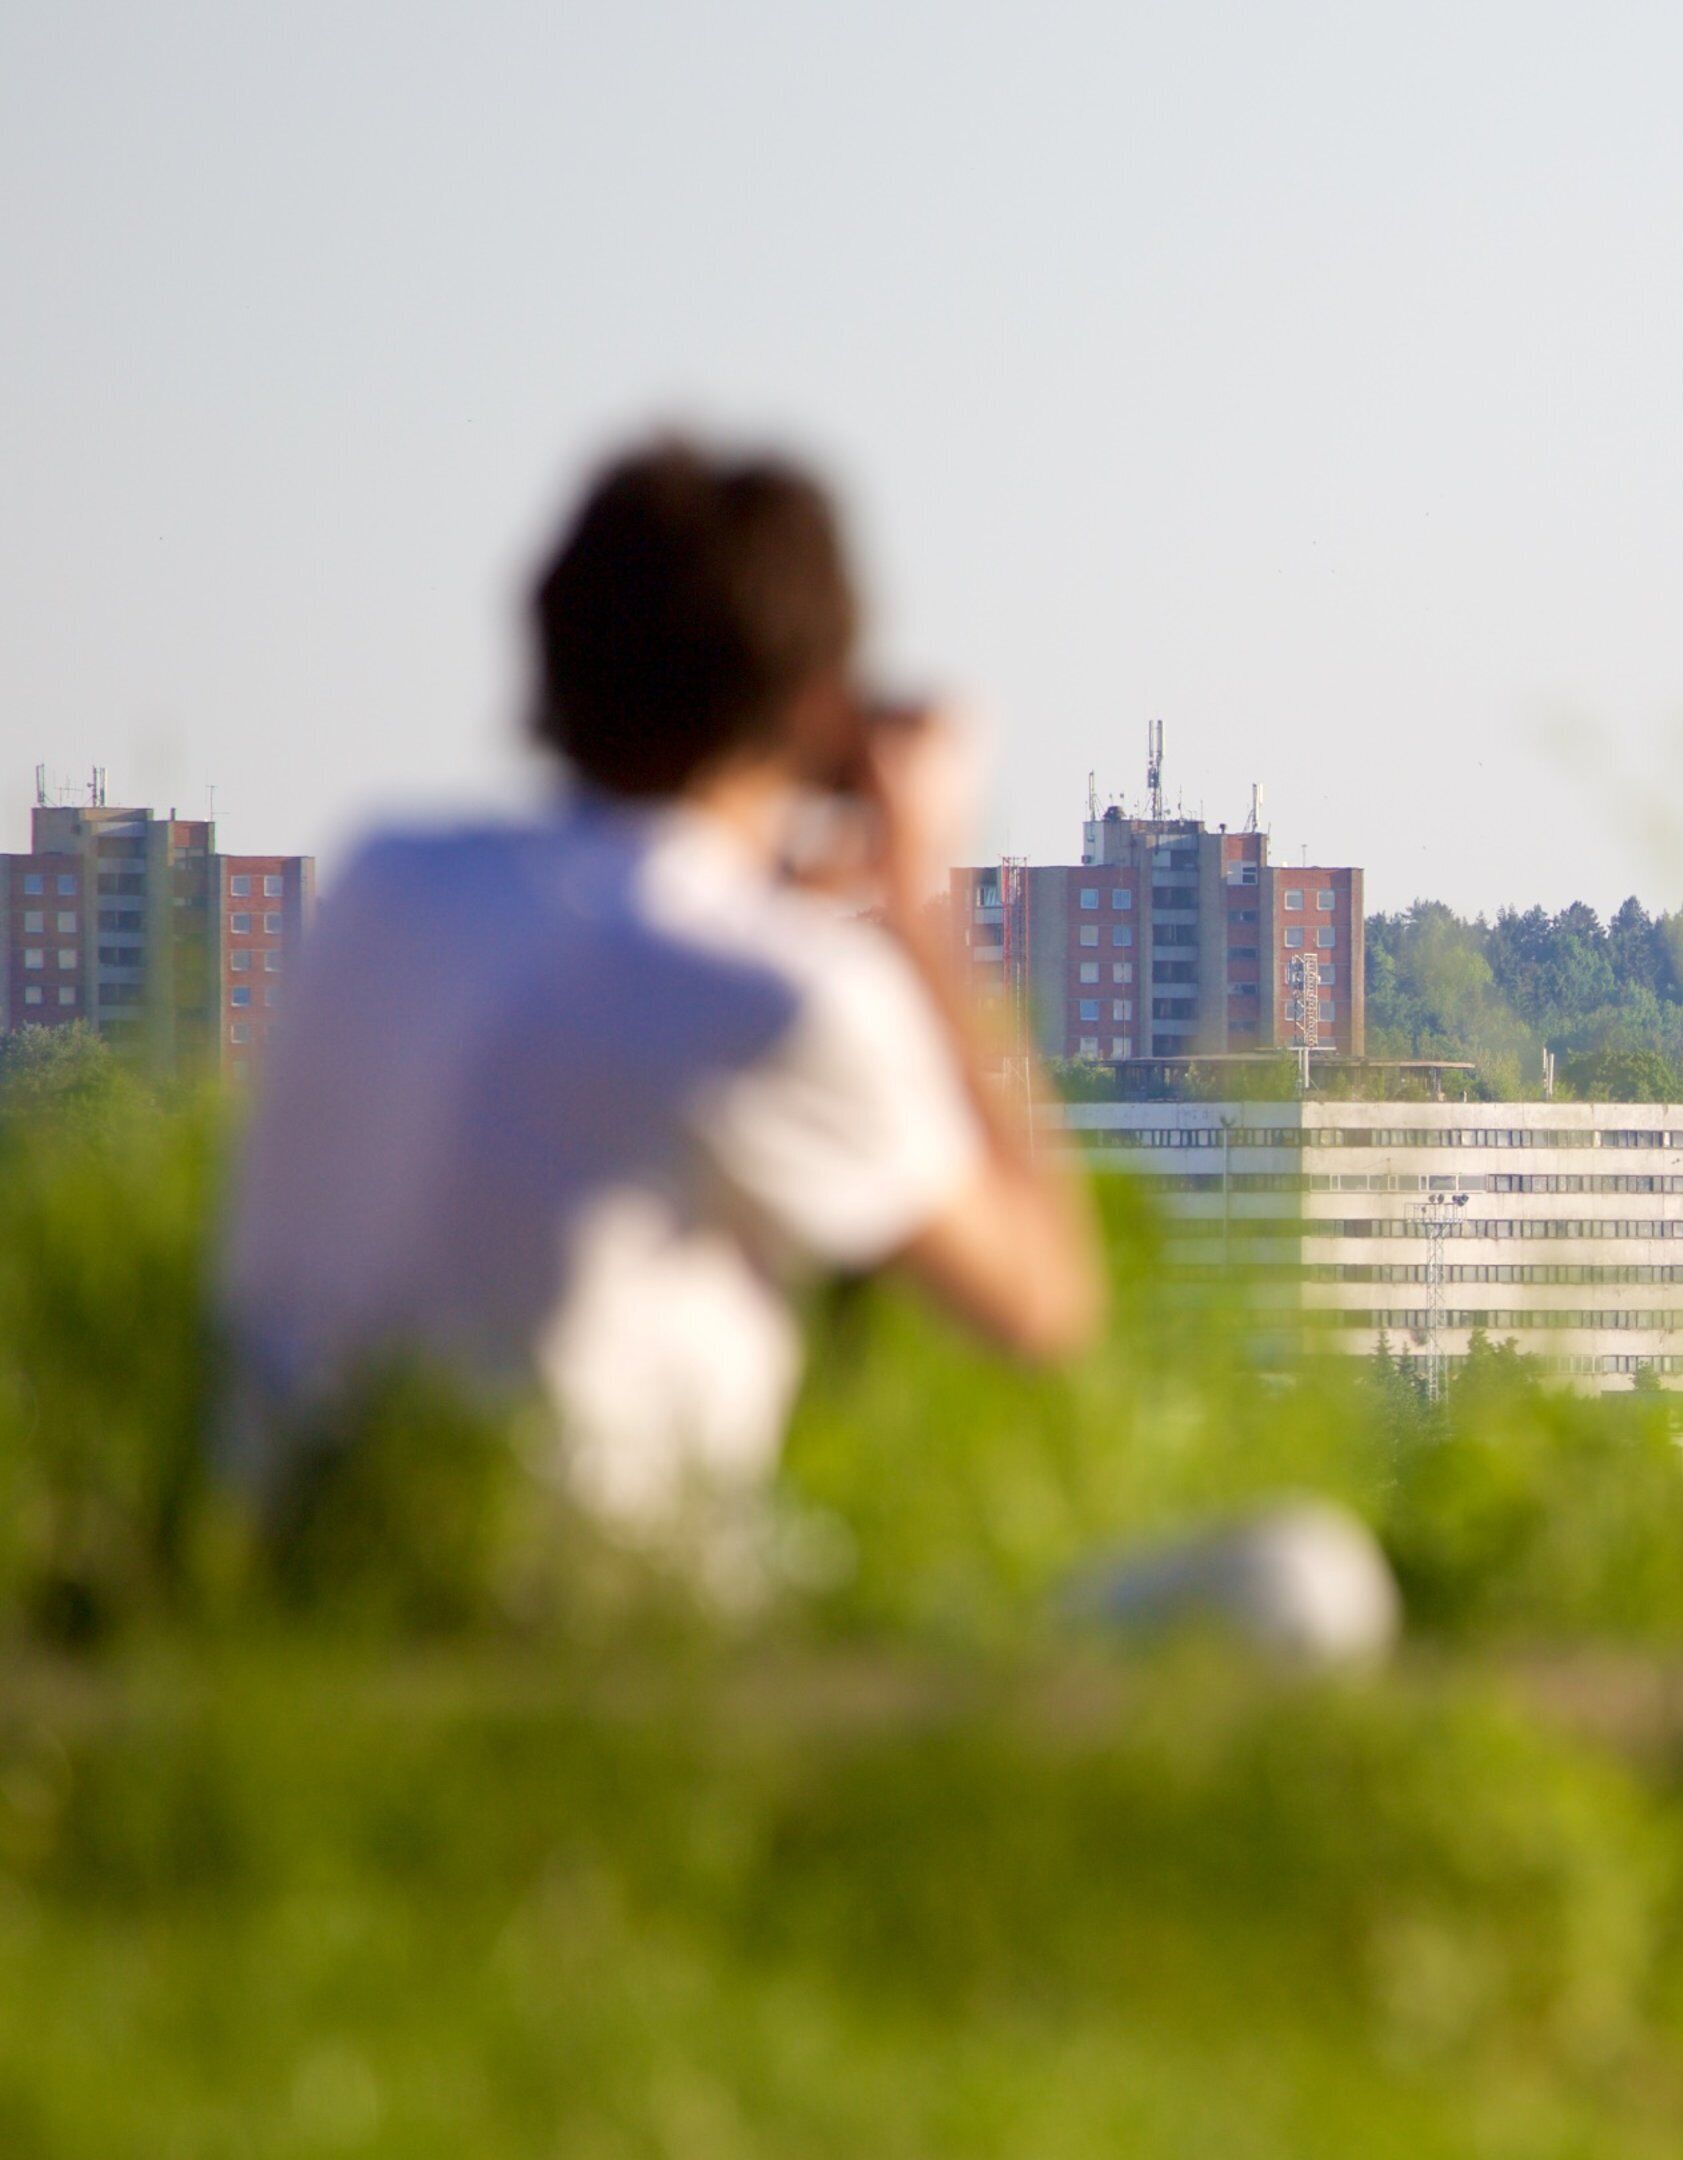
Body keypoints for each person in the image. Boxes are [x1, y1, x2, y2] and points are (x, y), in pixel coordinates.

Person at [224, 437, 1102, 1534]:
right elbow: (1046, 1300)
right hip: (595, 1597)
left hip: (277, 1556)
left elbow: (622, 936)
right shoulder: (785, 997)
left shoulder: (383, 880)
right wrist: (924, 902)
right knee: (1306, 1581)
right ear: (818, 710)